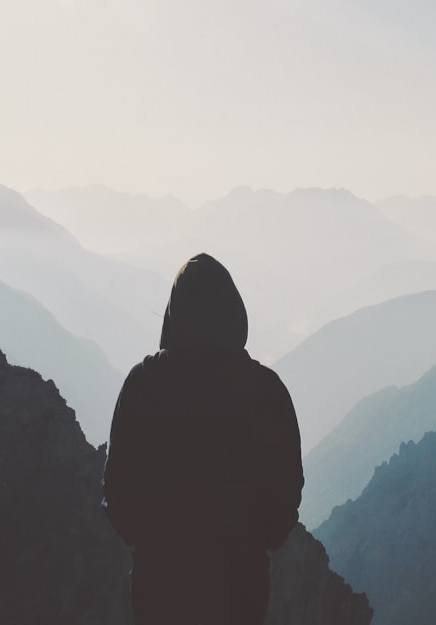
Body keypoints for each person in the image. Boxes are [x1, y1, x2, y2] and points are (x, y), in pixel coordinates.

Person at [102, 253, 304, 625]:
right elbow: (287, 489)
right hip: (240, 586)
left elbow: (117, 489)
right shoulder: (265, 391)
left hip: (160, 584)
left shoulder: (143, 385)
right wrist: (254, 543)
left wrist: (151, 541)